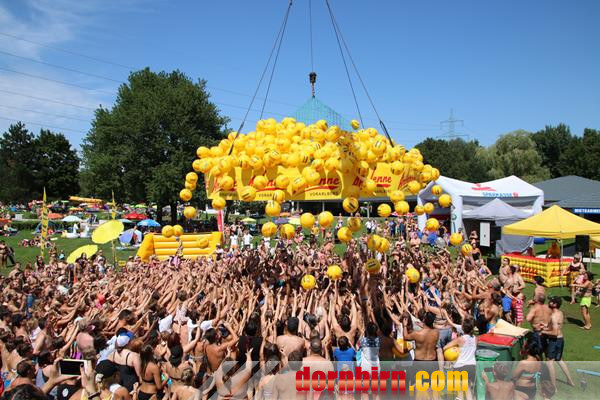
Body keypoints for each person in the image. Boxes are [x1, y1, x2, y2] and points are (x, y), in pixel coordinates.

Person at [541, 296, 575, 388]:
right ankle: (570, 380)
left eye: (551, 302)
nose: (549, 302)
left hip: (554, 340)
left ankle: (553, 387)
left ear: (555, 304)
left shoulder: (553, 316)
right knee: (559, 359)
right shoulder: (560, 313)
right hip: (560, 340)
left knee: (549, 362)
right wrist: (546, 326)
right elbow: (556, 326)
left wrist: (543, 332)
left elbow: (555, 333)